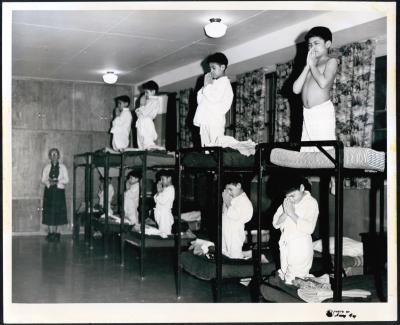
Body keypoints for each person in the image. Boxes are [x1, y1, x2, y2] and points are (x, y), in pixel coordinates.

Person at [292, 26, 338, 152]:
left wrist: (312, 66)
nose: (312, 47)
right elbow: (296, 89)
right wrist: (308, 66)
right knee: (307, 152)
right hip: (307, 113)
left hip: (322, 111)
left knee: (325, 151)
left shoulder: (331, 61)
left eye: (316, 43)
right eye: (310, 44)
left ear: (327, 44)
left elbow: (323, 83)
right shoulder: (310, 66)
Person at [272, 174, 319, 284]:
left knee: (295, 279)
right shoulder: (287, 202)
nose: (290, 200)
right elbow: (275, 224)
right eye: (287, 197)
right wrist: (285, 212)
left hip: (300, 246)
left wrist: (292, 213)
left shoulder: (311, 203)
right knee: (284, 275)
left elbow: (309, 228)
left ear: (302, 188)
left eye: (293, 196)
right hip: (285, 244)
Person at [193, 52, 234, 147]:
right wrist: (206, 86)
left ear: (223, 67)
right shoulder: (212, 83)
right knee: (205, 149)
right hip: (205, 120)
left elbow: (214, 98)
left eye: (213, 68)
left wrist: (207, 86)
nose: (211, 71)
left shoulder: (224, 83)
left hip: (215, 121)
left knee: (215, 148)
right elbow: (200, 100)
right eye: (210, 68)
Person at [221, 174, 253, 259]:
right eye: (227, 190)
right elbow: (224, 212)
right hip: (226, 230)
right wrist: (225, 201)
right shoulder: (234, 198)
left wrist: (227, 201)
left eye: (231, 189)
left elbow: (236, 215)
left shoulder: (244, 201)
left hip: (235, 232)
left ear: (239, 185)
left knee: (235, 255)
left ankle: (252, 257)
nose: (229, 192)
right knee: (224, 252)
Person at [41, 148, 69, 242]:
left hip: (59, 192)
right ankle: (50, 233)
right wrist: (49, 183)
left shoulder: (63, 167)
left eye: (56, 154)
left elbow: (66, 180)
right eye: (52, 154)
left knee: (59, 212)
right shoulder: (46, 167)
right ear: (49, 156)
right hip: (49, 192)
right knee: (49, 212)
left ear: (58, 156)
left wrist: (57, 181)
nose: (54, 156)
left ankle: (57, 233)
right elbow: (43, 179)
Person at [135, 80, 160, 149]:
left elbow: (144, 112)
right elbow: (138, 114)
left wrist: (142, 104)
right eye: (145, 92)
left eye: (147, 92)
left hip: (146, 122)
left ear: (153, 91)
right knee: (140, 143)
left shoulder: (154, 101)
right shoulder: (148, 101)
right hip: (141, 122)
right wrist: (142, 105)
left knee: (147, 142)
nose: (145, 94)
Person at [153, 170, 175, 235]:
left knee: (165, 233)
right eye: (161, 179)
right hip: (161, 213)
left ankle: (167, 244)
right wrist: (159, 191)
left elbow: (162, 201)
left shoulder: (170, 189)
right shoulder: (165, 188)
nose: (161, 181)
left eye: (163, 179)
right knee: (161, 232)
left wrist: (159, 191)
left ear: (169, 178)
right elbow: (155, 199)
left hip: (165, 214)